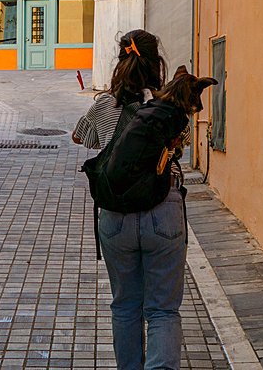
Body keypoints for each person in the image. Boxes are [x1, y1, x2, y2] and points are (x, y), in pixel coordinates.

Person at [72, 29, 186, 370]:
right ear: (157, 64)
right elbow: (184, 142)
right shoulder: (168, 104)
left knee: (125, 305)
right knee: (163, 309)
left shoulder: (107, 104)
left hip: (116, 213)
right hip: (163, 209)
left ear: (121, 62)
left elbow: (81, 137)